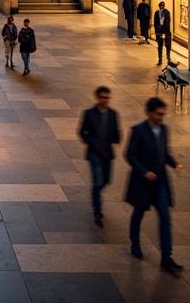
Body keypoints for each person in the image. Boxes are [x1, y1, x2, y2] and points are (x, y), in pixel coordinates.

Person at [125, 96, 183, 271]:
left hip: (161, 182)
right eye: (158, 114)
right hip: (143, 183)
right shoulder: (138, 130)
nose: (161, 118)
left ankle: (167, 255)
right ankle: (135, 243)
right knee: (139, 213)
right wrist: (144, 171)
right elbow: (130, 154)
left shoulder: (164, 129)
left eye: (163, 114)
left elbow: (164, 152)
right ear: (148, 113)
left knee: (165, 217)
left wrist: (174, 163)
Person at [78, 85, 120, 227]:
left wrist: (116, 140)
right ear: (97, 98)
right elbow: (82, 131)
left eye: (107, 98)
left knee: (106, 181)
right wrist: (89, 142)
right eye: (102, 97)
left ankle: (96, 194)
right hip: (95, 153)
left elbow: (116, 130)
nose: (105, 100)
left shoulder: (113, 114)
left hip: (107, 153)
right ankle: (98, 210)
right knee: (97, 181)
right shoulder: (89, 113)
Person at [153, 1, 173, 65]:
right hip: (159, 32)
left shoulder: (167, 12)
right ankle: (160, 60)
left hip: (166, 32)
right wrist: (156, 30)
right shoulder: (156, 13)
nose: (161, 7)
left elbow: (168, 22)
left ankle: (168, 59)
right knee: (159, 46)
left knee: (168, 46)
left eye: (163, 5)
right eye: (161, 5)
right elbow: (155, 22)